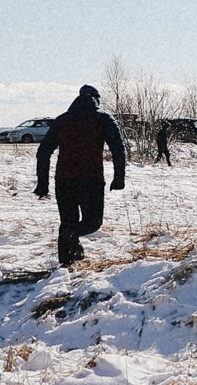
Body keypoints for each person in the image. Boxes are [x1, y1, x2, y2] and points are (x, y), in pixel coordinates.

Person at [35, 86, 128, 267]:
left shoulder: (63, 120)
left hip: (63, 180)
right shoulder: (102, 119)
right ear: (96, 100)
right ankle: (71, 245)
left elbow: (43, 152)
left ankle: (65, 264)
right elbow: (118, 149)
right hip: (91, 180)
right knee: (93, 222)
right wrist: (119, 178)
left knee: (67, 222)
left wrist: (43, 183)